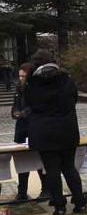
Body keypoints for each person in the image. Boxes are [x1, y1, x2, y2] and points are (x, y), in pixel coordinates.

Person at [25, 49, 85, 215]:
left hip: (44, 132)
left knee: (52, 170)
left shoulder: (32, 83)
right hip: (67, 130)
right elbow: (74, 99)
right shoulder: (66, 80)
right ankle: (80, 202)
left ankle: (59, 206)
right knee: (69, 167)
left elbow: (30, 104)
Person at [11, 63, 44, 201]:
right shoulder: (19, 88)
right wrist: (15, 113)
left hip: (33, 127)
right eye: (19, 76)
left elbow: (35, 106)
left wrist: (24, 113)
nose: (21, 78)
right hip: (21, 128)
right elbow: (15, 105)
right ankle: (22, 192)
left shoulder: (34, 89)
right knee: (22, 161)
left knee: (38, 160)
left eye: (23, 76)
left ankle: (46, 188)